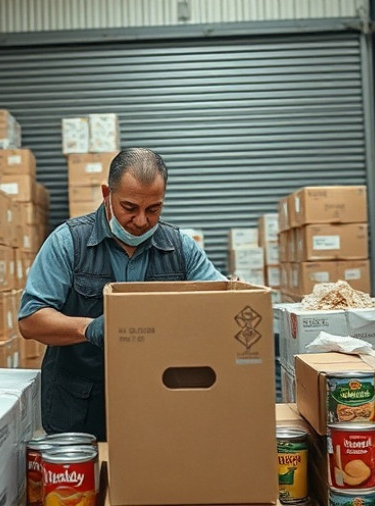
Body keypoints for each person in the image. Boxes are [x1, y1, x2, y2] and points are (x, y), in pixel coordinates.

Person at [18, 147, 225, 440]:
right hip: (79, 408)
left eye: (154, 209)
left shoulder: (181, 249)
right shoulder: (69, 243)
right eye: (129, 207)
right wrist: (89, 328)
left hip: (159, 405)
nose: (141, 221)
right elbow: (30, 319)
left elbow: (223, 303)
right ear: (107, 193)